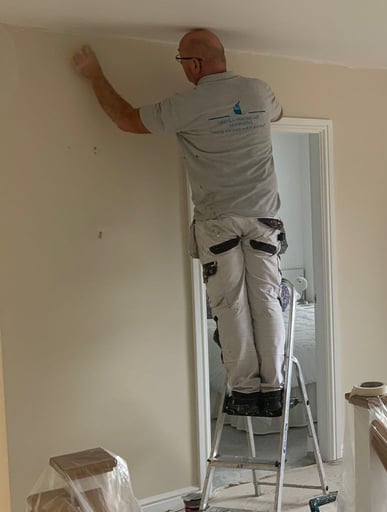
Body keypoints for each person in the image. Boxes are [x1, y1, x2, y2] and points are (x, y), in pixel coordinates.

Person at [72, 29, 287, 417]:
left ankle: (245, 392)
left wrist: (94, 75)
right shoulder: (258, 90)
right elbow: (279, 113)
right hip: (264, 218)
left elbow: (125, 119)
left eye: (182, 62)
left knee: (231, 304)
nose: (183, 69)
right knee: (266, 299)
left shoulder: (188, 104)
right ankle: (272, 389)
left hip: (219, 222)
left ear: (195, 64)